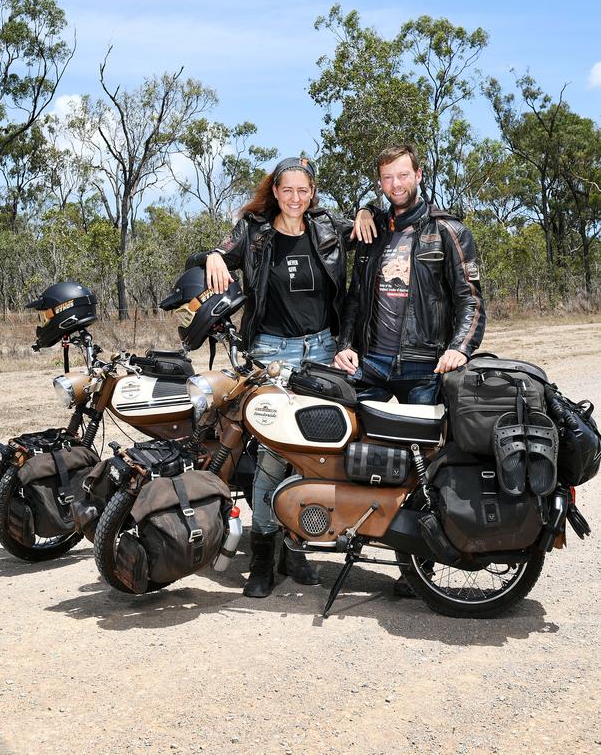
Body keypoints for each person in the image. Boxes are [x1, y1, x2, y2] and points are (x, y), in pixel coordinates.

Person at [187, 156, 375, 598]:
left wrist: (367, 210)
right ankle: (263, 561)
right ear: (275, 191)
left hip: (323, 353)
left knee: (312, 457)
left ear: (312, 194)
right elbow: (211, 253)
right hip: (271, 353)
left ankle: (297, 550)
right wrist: (214, 255)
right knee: (273, 457)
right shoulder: (254, 231)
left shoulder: (327, 228)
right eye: (287, 190)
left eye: (303, 191)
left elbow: (375, 221)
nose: (295, 198)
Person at [334, 143, 486, 404]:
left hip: (425, 365)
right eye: (387, 178)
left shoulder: (449, 231)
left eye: (403, 175)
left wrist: (460, 348)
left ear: (418, 175)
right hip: (370, 361)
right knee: (346, 434)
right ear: (380, 182)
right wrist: (345, 345)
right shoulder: (372, 231)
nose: (396, 184)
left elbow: (470, 299)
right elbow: (355, 298)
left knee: (423, 442)